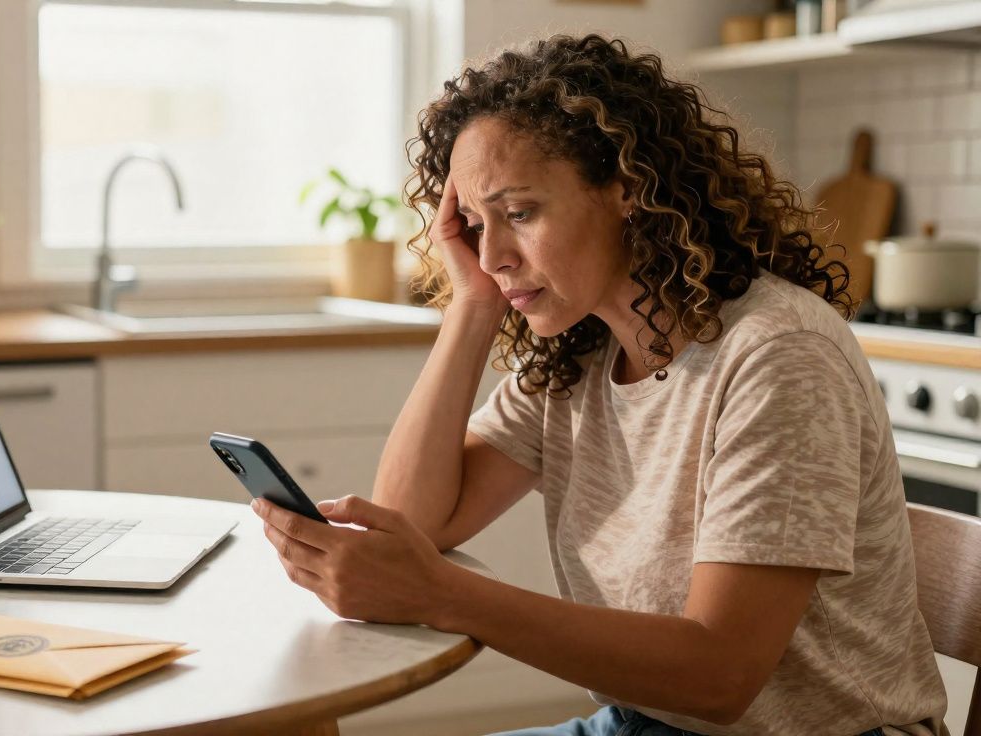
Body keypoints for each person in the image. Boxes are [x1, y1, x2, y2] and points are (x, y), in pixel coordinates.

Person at [249, 33, 947, 736]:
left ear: (628, 189)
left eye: (519, 214)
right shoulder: (580, 352)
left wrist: (441, 595)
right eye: (474, 225)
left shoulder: (777, 356)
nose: (492, 257)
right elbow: (416, 520)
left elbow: (720, 675)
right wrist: (472, 307)